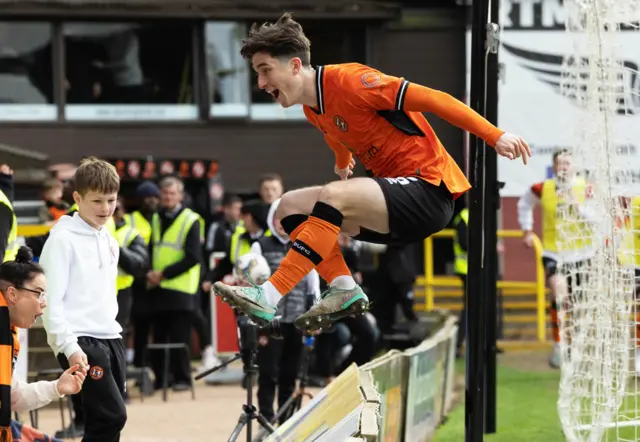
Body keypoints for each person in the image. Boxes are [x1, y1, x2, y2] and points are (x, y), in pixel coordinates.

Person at [212, 12, 532, 332]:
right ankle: (343, 288)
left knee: (333, 195)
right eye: (257, 73)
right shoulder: (313, 109)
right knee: (288, 206)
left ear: (295, 65)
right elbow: (337, 133)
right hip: (394, 207)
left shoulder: (351, 81)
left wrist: (495, 136)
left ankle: (268, 295)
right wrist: (342, 160)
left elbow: (436, 99)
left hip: (430, 191)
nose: (261, 83)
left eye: (265, 70)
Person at [40, 157, 127, 441]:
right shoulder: (62, 240)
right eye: (97, 201)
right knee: (111, 417)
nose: (105, 209)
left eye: (111, 200)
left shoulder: (109, 239)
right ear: (77, 198)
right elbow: (50, 301)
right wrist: (67, 345)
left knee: (107, 421)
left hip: (110, 337)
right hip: (81, 340)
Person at [0, 246, 87, 440]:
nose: (44, 303)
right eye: (39, 293)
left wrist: (57, 387)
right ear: (12, 294)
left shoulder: (8, 332)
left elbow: (12, 396)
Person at [249, 198, 321, 424]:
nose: (282, 223)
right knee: (269, 372)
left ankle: (288, 421)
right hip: (271, 322)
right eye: (278, 217)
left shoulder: (305, 245)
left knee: (290, 374)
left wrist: (314, 314)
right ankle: (266, 420)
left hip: (297, 321)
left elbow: (313, 283)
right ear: (271, 219)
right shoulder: (260, 245)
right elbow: (252, 281)